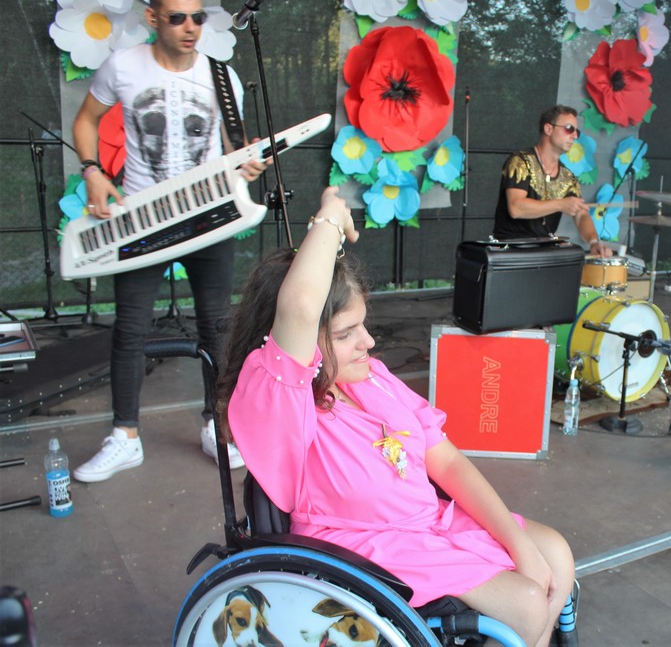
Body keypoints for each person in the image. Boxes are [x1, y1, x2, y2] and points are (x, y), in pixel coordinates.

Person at [219, 187, 576, 647]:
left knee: (555, 555)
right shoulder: (281, 405)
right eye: (346, 334)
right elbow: (302, 306)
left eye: (363, 325)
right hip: (366, 552)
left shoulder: (373, 378)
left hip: (429, 525)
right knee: (527, 603)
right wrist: (330, 218)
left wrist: (519, 543)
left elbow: (446, 461)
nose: (368, 342)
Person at [71, 0, 267, 483]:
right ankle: (124, 437)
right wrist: (92, 172)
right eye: (177, 17)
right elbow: (86, 119)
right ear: (153, 18)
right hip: (143, 221)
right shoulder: (123, 66)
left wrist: (246, 162)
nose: (190, 27)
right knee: (130, 329)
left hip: (208, 218)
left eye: (198, 17)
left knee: (217, 328)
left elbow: (234, 147)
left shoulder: (223, 77)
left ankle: (216, 427)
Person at [493, 104, 614, 258]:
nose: (575, 136)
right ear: (548, 129)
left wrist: (593, 242)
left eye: (576, 131)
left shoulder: (568, 177)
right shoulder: (521, 162)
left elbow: (581, 214)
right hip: (510, 251)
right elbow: (516, 208)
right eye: (569, 128)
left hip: (544, 251)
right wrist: (561, 204)